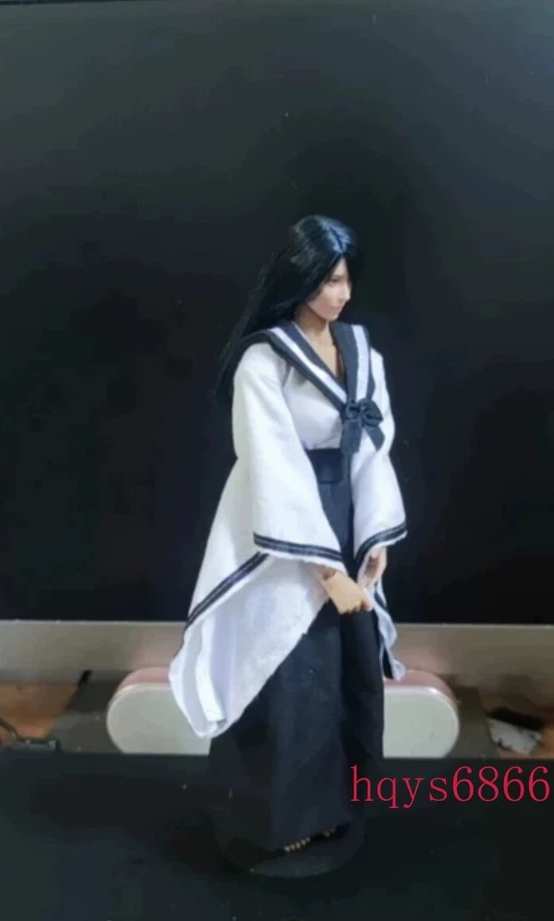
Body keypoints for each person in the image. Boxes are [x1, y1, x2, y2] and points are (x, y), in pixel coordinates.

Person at [169, 215, 407, 868]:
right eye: (329, 280)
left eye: (347, 280)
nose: (342, 294)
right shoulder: (264, 362)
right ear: (300, 280)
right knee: (289, 679)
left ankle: (338, 807)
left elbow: (375, 446)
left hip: (347, 515)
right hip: (282, 533)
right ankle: (276, 821)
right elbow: (272, 465)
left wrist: (375, 535)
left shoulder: (362, 353)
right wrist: (325, 571)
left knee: (345, 675)